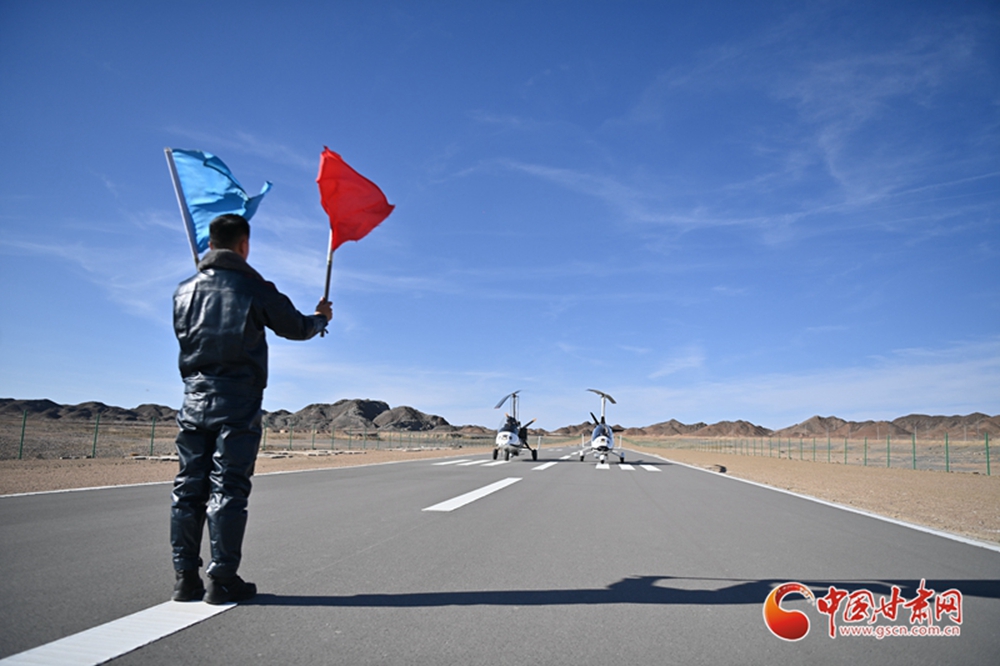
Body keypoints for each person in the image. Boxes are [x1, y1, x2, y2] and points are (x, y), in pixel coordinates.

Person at [170, 214, 332, 604]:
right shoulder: (254, 287)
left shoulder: (183, 291)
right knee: (228, 486)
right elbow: (295, 327)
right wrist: (320, 319)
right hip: (237, 399)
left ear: (210, 244)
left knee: (188, 487)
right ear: (244, 245)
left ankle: (185, 578)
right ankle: (222, 579)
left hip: (193, 397)